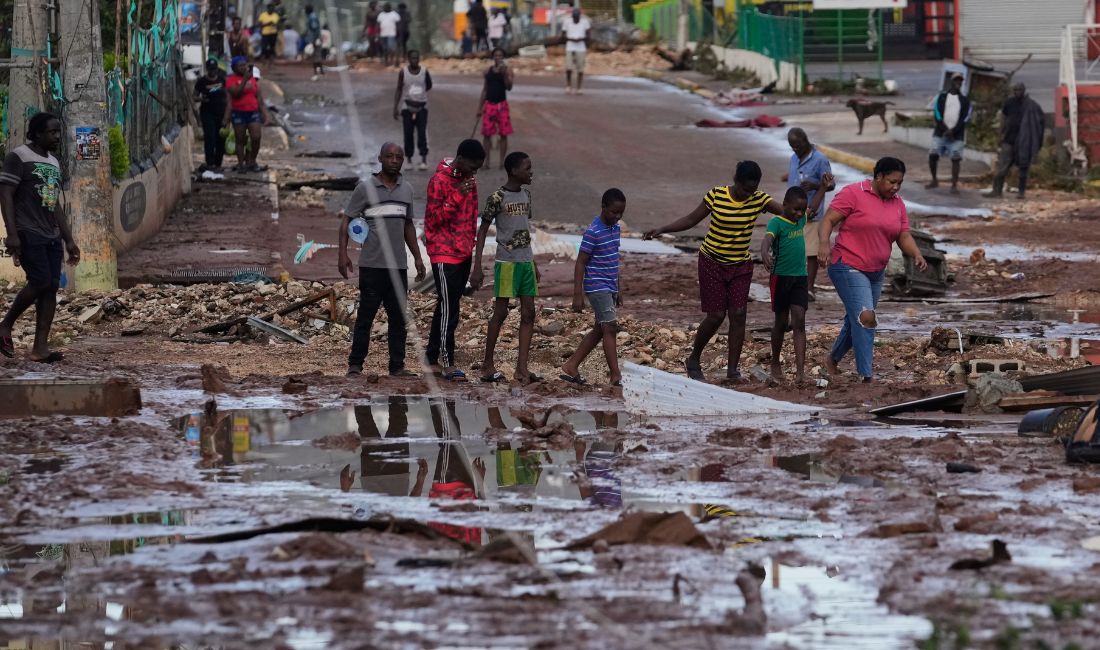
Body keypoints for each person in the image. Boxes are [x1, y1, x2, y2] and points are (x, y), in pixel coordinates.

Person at [643, 161, 784, 382]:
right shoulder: (716, 195)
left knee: (739, 314)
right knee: (716, 315)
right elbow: (691, 219)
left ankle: (732, 371)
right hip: (711, 262)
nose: (748, 194)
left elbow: (788, 211)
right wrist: (663, 229)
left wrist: (809, 203)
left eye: (753, 190)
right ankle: (694, 359)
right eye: (745, 189)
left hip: (740, 265)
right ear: (736, 180)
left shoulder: (759, 199)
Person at [817, 157, 927, 382]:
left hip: (876, 272)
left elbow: (903, 235)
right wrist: (823, 244)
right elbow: (828, 220)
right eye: (892, 182)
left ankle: (832, 360)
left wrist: (916, 254)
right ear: (878, 177)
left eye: (899, 183)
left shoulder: (897, 203)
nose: (896, 187)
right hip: (847, 264)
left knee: (857, 319)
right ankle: (866, 376)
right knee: (866, 317)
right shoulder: (853, 193)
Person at [338, 142, 426, 377]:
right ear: (380, 158)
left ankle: (397, 366)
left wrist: (418, 257)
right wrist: (342, 254)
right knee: (365, 318)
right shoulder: (365, 188)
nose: (394, 161)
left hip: (398, 266)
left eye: (399, 157)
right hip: (372, 265)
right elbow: (346, 221)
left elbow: (408, 226)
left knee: (398, 318)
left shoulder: (406, 190)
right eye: (389, 156)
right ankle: (355, 365)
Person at [0, 112, 80, 363]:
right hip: (28, 231)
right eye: (51, 132)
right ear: (36, 134)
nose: (57, 137)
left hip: (51, 234)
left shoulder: (53, 162)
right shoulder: (18, 157)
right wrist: (12, 234)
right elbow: (5, 194)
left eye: (58, 132)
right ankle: (5, 325)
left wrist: (69, 240)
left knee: (51, 287)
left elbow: (54, 204)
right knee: (40, 280)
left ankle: (40, 349)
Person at [471, 152, 540, 384]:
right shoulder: (497, 197)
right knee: (500, 313)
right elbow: (482, 231)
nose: (531, 172)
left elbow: (524, 230)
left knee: (529, 313)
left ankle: (522, 369)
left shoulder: (527, 195)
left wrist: (534, 263)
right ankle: (487, 365)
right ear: (514, 171)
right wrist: (477, 266)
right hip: (507, 263)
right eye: (527, 168)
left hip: (525, 262)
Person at [424, 139, 486, 382]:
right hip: (443, 252)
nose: (474, 172)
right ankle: (447, 361)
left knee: (447, 305)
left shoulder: (471, 181)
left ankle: (431, 358)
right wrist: (457, 195)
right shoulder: (439, 181)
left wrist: (471, 250)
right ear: (460, 159)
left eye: (477, 169)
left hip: (463, 252)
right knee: (450, 308)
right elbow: (433, 220)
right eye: (472, 167)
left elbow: (471, 217)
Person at [760, 176, 831, 384]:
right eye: (795, 210)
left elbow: (813, 207)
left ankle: (801, 372)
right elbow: (767, 239)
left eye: (802, 210)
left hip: (800, 278)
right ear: (785, 205)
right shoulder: (777, 222)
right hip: (780, 278)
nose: (800, 214)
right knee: (781, 322)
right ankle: (775, 362)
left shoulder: (800, 220)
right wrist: (764, 253)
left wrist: (823, 188)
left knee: (799, 321)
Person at [560, 189, 626, 387]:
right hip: (596, 286)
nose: (617, 216)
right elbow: (580, 263)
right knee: (610, 327)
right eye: (614, 212)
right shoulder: (593, 232)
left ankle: (571, 365)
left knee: (600, 329)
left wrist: (618, 288)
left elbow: (613, 259)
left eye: (621, 213)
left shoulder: (616, 228)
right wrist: (577, 294)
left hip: (610, 285)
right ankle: (615, 375)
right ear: (603, 207)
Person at [781, 127, 833, 301]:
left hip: (811, 212)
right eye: (792, 146)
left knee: (811, 252)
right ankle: (793, 285)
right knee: (793, 250)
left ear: (805, 141)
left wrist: (815, 185)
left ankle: (809, 288)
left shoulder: (820, 159)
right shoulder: (793, 158)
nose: (795, 149)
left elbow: (830, 184)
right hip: (791, 214)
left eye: (797, 145)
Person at [985, 83, 1045, 199]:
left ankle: (1021, 192)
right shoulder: (1009, 102)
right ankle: (996, 190)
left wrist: (1036, 142)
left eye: (1020, 90)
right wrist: (1000, 135)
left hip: (1024, 141)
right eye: (1016, 90)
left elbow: (1039, 124)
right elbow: (1003, 118)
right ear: (1013, 91)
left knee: (1023, 167)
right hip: (1009, 140)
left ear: (1024, 90)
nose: (1018, 92)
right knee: (1002, 166)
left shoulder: (1031, 105)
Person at [927, 72, 972, 194]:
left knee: (956, 159)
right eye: (956, 80)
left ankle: (954, 185)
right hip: (940, 133)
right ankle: (934, 180)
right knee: (933, 155)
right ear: (951, 82)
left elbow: (965, 118)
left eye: (960, 81)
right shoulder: (941, 97)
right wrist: (945, 129)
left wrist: (953, 131)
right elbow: (937, 114)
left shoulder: (965, 100)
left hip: (957, 135)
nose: (958, 83)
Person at [224, 55, 270, 173]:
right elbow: (236, 93)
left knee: (256, 137)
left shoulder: (253, 79)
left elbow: (259, 98)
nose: (243, 67)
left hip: (253, 112)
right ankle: (241, 164)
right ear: (234, 68)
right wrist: (244, 80)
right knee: (240, 139)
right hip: (238, 113)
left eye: (244, 65)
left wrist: (265, 114)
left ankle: (252, 161)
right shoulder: (231, 80)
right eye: (240, 66)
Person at [393, 49, 433, 171]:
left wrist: (419, 94)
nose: (415, 60)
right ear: (408, 59)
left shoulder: (424, 71)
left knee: (422, 133)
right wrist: (395, 107)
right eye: (412, 58)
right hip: (407, 107)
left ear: (419, 59)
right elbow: (399, 89)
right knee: (408, 133)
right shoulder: (403, 72)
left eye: (417, 58)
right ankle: (409, 160)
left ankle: (423, 160)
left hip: (422, 107)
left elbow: (429, 85)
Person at [478, 48, 513, 170]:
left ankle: (502, 162)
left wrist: (505, 75)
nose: (498, 57)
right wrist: (479, 108)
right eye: (496, 55)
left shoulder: (507, 70)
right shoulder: (488, 71)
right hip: (489, 105)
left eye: (500, 55)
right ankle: (486, 162)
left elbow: (509, 87)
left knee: (503, 134)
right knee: (486, 134)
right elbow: (485, 90)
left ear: (503, 57)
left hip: (502, 106)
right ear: (493, 57)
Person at [193, 58, 228, 171]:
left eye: (214, 69)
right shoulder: (202, 81)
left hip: (221, 113)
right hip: (207, 113)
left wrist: (227, 115)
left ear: (217, 69)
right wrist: (201, 99)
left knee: (220, 139)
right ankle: (210, 162)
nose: (213, 71)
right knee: (210, 137)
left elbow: (227, 96)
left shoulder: (222, 80)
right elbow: (194, 96)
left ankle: (218, 163)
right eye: (211, 69)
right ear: (207, 69)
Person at [564, 8, 591, 95]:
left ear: (580, 16)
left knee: (580, 68)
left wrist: (582, 39)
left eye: (577, 17)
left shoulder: (585, 22)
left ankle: (579, 87)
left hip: (581, 47)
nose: (575, 19)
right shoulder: (567, 22)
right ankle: (568, 86)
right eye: (574, 17)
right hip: (570, 46)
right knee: (569, 67)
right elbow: (563, 35)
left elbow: (588, 35)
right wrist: (570, 39)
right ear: (572, 17)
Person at [377, 2, 402, 67]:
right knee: (385, 48)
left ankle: (392, 59)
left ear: (390, 7)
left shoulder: (394, 14)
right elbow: (378, 24)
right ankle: (386, 61)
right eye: (385, 7)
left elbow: (398, 24)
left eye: (387, 7)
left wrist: (398, 32)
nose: (386, 8)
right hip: (383, 34)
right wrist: (378, 33)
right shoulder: (381, 15)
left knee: (391, 48)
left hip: (392, 34)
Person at [304, 5, 323, 78]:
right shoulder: (312, 16)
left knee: (315, 56)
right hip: (315, 38)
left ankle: (316, 73)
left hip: (315, 39)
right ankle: (321, 72)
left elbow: (314, 28)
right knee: (316, 56)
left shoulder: (312, 17)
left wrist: (314, 40)